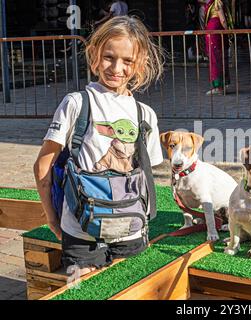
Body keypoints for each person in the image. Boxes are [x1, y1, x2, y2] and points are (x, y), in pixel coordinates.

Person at [33, 16, 164, 277]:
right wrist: (51, 217)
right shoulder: (76, 103)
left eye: (128, 61)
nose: (117, 67)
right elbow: (43, 166)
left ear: (140, 65)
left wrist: (53, 218)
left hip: (129, 229)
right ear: (93, 54)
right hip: (85, 231)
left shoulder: (145, 114)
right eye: (108, 57)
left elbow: (146, 173)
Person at [203, 0, 233, 95]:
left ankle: (219, 87)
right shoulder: (217, 2)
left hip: (213, 32)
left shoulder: (216, 3)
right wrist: (228, 32)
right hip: (216, 33)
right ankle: (221, 86)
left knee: (215, 59)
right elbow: (223, 20)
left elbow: (222, 19)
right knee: (219, 58)